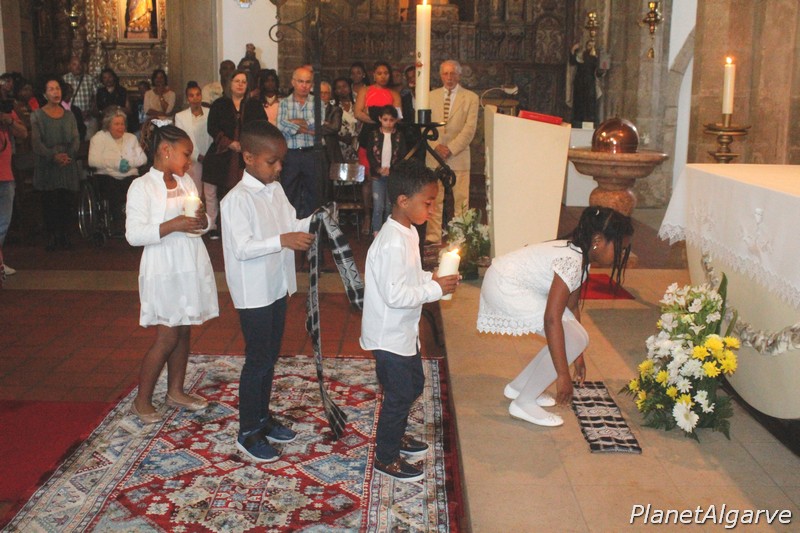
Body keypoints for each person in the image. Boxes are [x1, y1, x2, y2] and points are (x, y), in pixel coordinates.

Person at [477, 206, 633, 427]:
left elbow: (571, 306)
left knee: (577, 337)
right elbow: (551, 319)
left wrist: (577, 355)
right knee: (570, 337)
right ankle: (524, 403)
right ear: (598, 240)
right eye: (620, 248)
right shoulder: (571, 261)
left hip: (508, 279)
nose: (622, 255)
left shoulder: (579, 256)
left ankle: (519, 388)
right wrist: (563, 375)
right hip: (506, 286)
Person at [220, 120, 315, 462]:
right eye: (271, 162)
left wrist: (315, 221)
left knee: (270, 356)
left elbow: (292, 225)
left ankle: (263, 417)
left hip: (276, 285)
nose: (278, 168)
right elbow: (243, 247)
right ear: (248, 158)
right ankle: (248, 431)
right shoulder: (236, 200)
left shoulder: (275, 190)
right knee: (258, 360)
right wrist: (283, 240)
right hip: (254, 291)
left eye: (280, 162)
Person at [360, 157, 459, 482]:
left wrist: (432, 277)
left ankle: (396, 433)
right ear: (403, 201)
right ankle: (386, 457)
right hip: (388, 334)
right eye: (427, 203)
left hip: (403, 331)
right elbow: (395, 294)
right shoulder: (391, 242)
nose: (432, 209)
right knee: (400, 394)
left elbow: (410, 276)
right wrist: (434, 289)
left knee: (413, 384)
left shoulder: (408, 232)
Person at [125, 124, 218, 424]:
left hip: (188, 262)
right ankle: (142, 400)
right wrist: (174, 225)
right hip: (163, 266)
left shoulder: (186, 182)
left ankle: (175, 391)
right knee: (167, 335)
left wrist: (202, 221)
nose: (189, 161)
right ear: (165, 151)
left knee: (184, 329)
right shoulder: (142, 187)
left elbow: (201, 223)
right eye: (185, 154)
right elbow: (134, 234)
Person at [202, 70, 262, 237]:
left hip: (247, 155)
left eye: (244, 81)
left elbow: (260, 127)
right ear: (230, 84)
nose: (240, 84)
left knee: (245, 194)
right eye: (237, 81)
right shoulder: (219, 104)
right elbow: (212, 127)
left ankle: (243, 228)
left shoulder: (254, 105)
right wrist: (229, 143)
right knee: (220, 193)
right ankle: (218, 227)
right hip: (222, 154)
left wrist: (246, 144)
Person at [425, 59, 478, 245]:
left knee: (461, 200)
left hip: (458, 155)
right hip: (435, 155)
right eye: (445, 73)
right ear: (440, 76)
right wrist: (436, 146)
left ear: (459, 75)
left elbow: (469, 129)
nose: (449, 77)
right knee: (434, 197)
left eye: (453, 73)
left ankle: (459, 237)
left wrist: (451, 148)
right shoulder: (429, 96)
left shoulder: (470, 98)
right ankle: (433, 236)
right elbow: (423, 125)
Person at [30, 77, 81, 251]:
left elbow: (76, 138)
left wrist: (68, 155)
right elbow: (37, 143)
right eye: (51, 89)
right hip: (48, 164)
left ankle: (65, 235)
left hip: (67, 163)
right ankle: (52, 236)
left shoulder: (69, 115)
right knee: (50, 202)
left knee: (66, 201)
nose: (55, 92)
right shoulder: (37, 115)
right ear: (44, 94)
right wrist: (54, 156)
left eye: (57, 88)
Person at [354, 61, 401, 235]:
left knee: (386, 178)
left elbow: (398, 116)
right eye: (379, 73)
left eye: (386, 73)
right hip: (368, 135)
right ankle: (368, 216)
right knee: (368, 178)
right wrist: (378, 121)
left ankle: (386, 220)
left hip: (388, 137)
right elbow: (358, 112)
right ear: (374, 74)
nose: (383, 76)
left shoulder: (394, 93)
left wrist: (382, 120)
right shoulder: (365, 90)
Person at [88, 106, 147, 235]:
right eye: (116, 124)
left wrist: (129, 163)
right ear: (108, 125)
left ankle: (136, 223)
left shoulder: (131, 138)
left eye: (122, 124)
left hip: (130, 175)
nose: (120, 127)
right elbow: (92, 161)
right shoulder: (98, 138)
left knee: (137, 188)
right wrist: (116, 164)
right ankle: (118, 223)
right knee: (112, 190)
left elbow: (143, 159)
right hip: (107, 175)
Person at [277, 66, 318, 219]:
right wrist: (306, 128)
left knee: (312, 193)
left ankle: (309, 228)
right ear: (293, 82)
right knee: (289, 191)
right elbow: (281, 125)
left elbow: (318, 125)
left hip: (311, 153)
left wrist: (293, 123)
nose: (304, 85)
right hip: (291, 154)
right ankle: (290, 226)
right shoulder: (284, 103)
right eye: (301, 81)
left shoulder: (318, 102)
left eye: (308, 82)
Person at [365, 105, 406, 236]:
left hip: (392, 176)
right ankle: (376, 233)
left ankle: (387, 232)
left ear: (395, 120)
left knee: (389, 206)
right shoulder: (374, 135)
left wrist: (392, 170)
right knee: (378, 206)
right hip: (377, 176)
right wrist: (377, 168)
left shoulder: (399, 136)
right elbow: (370, 154)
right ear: (380, 119)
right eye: (385, 119)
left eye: (391, 120)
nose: (388, 123)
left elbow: (402, 156)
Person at [174, 81, 212, 212]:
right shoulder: (180, 116)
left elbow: (213, 135)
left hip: (209, 156)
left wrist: (209, 155)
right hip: (192, 159)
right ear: (187, 98)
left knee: (210, 194)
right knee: (194, 192)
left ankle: (211, 221)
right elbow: (182, 139)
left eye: (197, 94)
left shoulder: (210, 113)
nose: (195, 98)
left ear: (201, 96)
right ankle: (194, 217)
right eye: (191, 95)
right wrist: (196, 155)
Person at [0, 97, 28, 275]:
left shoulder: (7, 113)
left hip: (6, 175)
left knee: (3, 222)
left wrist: (9, 120)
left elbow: (23, 133)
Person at [62, 57, 100, 138]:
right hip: (70, 119)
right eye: (74, 64)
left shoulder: (90, 79)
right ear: (69, 66)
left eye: (79, 64)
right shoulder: (64, 79)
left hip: (88, 118)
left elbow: (96, 96)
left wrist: (92, 110)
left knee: (90, 141)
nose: (78, 67)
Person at [568, 42, 603, 128]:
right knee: (579, 101)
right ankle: (578, 120)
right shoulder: (581, 56)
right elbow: (573, 61)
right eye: (589, 45)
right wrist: (573, 50)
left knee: (590, 102)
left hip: (590, 82)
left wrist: (602, 70)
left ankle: (590, 119)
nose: (590, 48)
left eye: (592, 46)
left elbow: (598, 72)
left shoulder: (595, 58)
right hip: (580, 82)